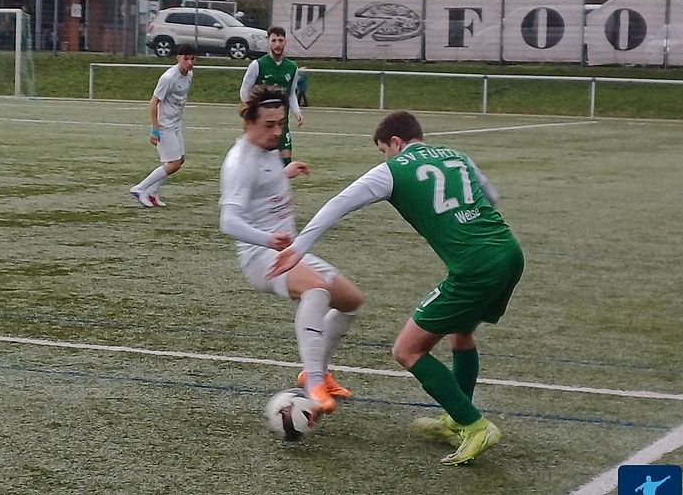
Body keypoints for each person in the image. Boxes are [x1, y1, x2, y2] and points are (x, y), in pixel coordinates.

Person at [269, 110, 524, 465]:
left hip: (475, 267)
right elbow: (491, 197)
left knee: (407, 350)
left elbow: (337, 205)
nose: (385, 157)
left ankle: (474, 424)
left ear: (396, 142)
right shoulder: (456, 155)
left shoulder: (394, 168)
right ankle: (456, 418)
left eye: (383, 151)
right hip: (509, 253)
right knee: (460, 333)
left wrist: (298, 249)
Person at [219, 84, 363, 415]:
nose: (276, 131)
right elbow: (228, 221)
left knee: (351, 302)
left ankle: (318, 372)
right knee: (315, 290)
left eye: (280, 123)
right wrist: (267, 240)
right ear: (248, 124)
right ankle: (313, 382)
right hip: (261, 257)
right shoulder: (239, 162)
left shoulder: (266, 152)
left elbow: (262, 184)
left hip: (290, 251)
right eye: (268, 125)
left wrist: (285, 172)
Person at [129, 44, 197, 208]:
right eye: (185, 58)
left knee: (179, 160)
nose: (189, 62)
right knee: (173, 163)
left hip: (175, 124)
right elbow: (154, 102)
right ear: (178, 58)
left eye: (192, 58)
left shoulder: (189, 74)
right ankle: (140, 188)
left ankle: (152, 193)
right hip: (164, 125)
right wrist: (155, 129)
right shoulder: (168, 78)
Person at [238, 26, 304, 165]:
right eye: (273, 40)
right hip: (263, 122)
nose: (277, 44)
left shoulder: (292, 67)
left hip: (281, 121)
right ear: (268, 41)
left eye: (280, 40)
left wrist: (297, 111)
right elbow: (244, 90)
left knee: (285, 161)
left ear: (285, 41)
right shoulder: (257, 65)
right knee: (258, 161)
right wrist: (250, 111)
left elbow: (291, 93)